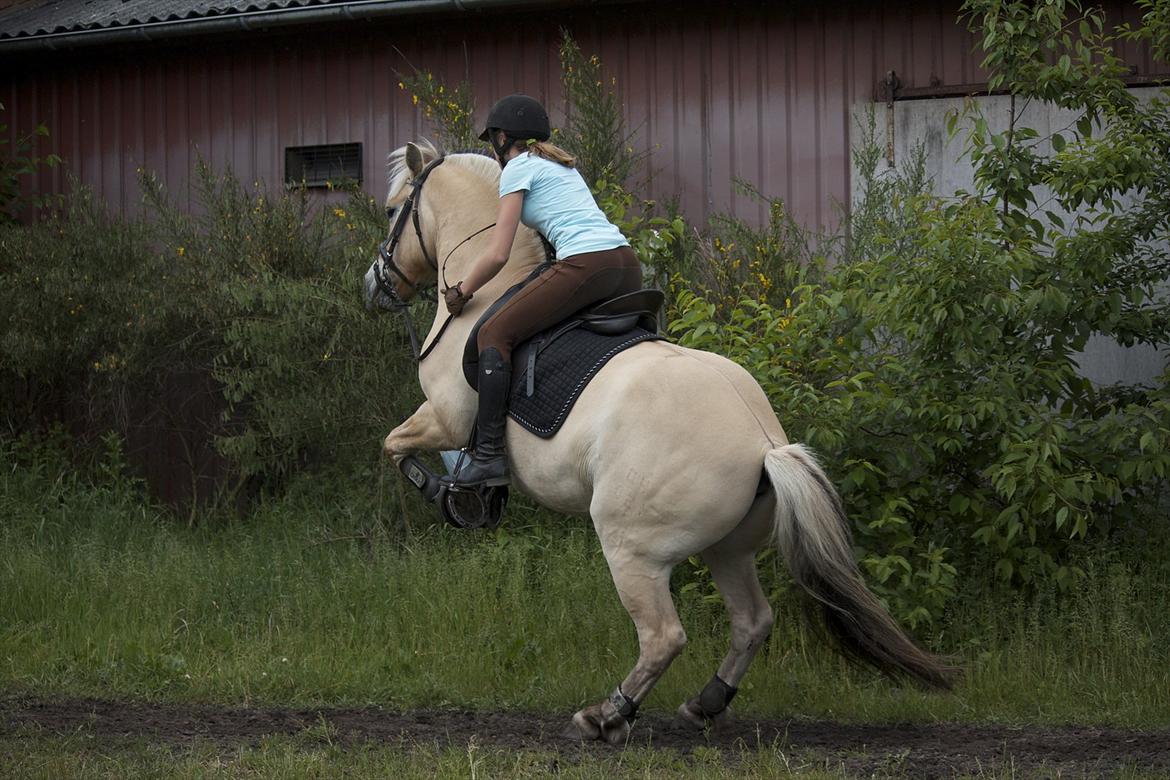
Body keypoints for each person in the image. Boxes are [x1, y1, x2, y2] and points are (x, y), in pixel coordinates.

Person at [441, 94, 642, 487]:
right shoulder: (561, 166)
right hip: (625, 264)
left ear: (501, 138)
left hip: (587, 264)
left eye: (492, 141)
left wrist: (463, 290)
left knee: (493, 333)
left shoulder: (518, 168)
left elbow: (498, 254)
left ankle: (489, 456)